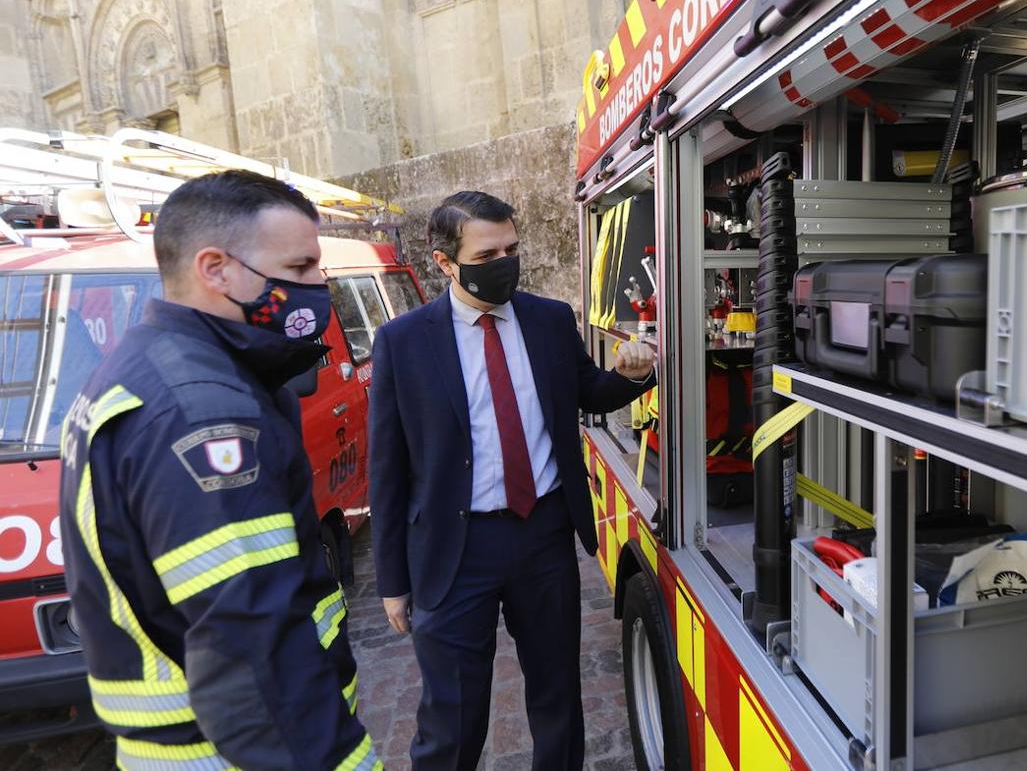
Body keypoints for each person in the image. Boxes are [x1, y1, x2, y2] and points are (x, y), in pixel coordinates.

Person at [58, 171, 380, 770]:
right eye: (302, 266)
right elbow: (251, 652)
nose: (319, 284)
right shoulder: (202, 411)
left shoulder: (143, 365)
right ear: (216, 269)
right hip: (227, 753)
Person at [368, 191, 656, 770]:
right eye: (488, 253)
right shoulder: (403, 341)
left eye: (512, 249)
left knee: (557, 696)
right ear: (445, 261)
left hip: (542, 535)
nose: (505, 262)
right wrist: (393, 579)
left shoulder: (549, 319)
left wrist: (631, 375)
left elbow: (587, 392)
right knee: (451, 717)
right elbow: (388, 467)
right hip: (454, 548)